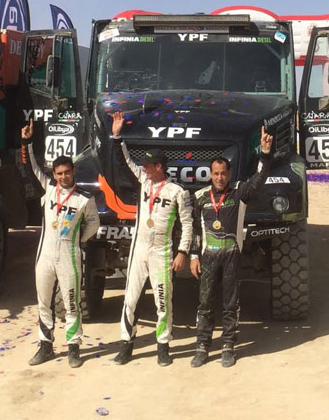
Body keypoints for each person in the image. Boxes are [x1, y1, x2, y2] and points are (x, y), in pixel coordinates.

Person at [110, 110, 193, 366]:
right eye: (144, 165)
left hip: (162, 252)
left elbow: (187, 224)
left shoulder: (177, 191)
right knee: (130, 298)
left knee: (162, 301)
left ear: (159, 167)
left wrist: (182, 252)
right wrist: (117, 136)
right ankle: (126, 345)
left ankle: (163, 346)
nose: (144, 168)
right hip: (139, 250)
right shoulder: (143, 183)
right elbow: (125, 161)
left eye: (148, 165)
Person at [190, 127, 275, 367]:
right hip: (208, 256)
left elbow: (259, 178)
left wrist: (265, 153)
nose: (219, 177)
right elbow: (195, 229)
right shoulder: (200, 197)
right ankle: (202, 346)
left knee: (230, 303)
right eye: (215, 173)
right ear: (210, 174)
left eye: (223, 173)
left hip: (231, 256)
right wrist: (194, 255)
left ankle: (228, 346)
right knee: (205, 303)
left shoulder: (240, 192)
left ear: (228, 174)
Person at [20, 120, 100, 368]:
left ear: (73, 172)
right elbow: (30, 168)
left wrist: (77, 240)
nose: (63, 176)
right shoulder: (48, 189)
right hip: (44, 256)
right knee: (43, 303)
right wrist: (26, 142)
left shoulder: (85, 199)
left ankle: (73, 347)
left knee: (71, 304)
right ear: (54, 175)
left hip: (69, 256)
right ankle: (45, 346)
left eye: (67, 172)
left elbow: (93, 225)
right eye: (59, 173)